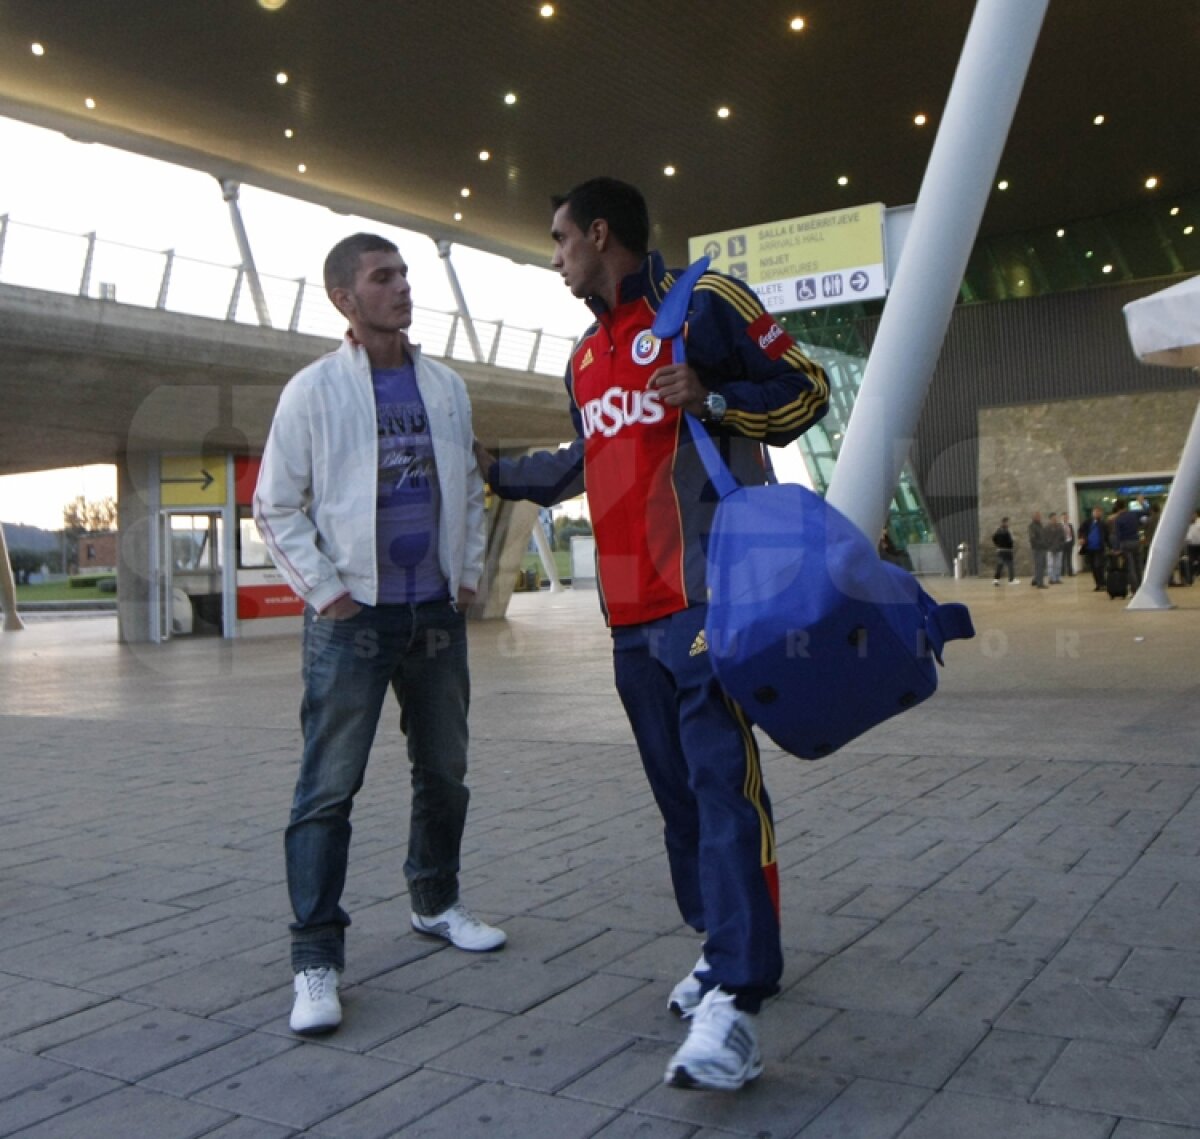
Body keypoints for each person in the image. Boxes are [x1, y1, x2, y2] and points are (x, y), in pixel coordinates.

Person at [477, 177, 829, 1092]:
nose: (555, 260)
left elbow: (808, 391)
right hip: (628, 622)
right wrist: (494, 472)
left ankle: (738, 1004)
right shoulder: (583, 360)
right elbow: (582, 462)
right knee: (680, 800)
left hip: (710, 601)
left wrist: (711, 397)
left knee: (721, 785)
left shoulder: (705, 304)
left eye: (560, 241)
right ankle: (722, 945)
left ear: (601, 234)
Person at [254, 233, 505, 1038]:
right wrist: (327, 593)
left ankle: (436, 900)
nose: (402, 287)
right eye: (382, 277)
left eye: (404, 274)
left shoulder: (445, 386)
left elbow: (466, 487)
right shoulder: (313, 390)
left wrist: (466, 574)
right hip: (354, 618)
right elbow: (274, 503)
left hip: (434, 613)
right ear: (344, 297)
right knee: (327, 788)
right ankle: (315, 958)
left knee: (445, 771)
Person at [1110, 497, 1144, 590]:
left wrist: (1116, 549)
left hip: (1126, 543)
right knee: (1138, 566)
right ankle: (1141, 586)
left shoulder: (1118, 519)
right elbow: (1143, 517)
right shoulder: (1133, 515)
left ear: (1117, 508)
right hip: (1136, 541)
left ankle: (1135, 589)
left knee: (1130, 567)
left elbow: (1118, 535)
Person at [1078, 505, 1110, 591]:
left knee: (1099, 566)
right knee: (1093, 567)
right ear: (1092, 513)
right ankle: (1098, 584)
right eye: (1095, 512)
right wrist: (1081, 538)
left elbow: (1107, 536)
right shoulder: (1087, 522)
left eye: (1099, 512)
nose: (1097, 513)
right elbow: (1081, 531)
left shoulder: (1103, 524)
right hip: (1089, 548)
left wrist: (1110, 546)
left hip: (1099, 548)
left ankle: (1102, 583)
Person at [991, 517, 1018, 585]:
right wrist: (1012, 541)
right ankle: (1011, 580)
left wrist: (998, 545)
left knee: (1000, 565)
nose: (1008, 523)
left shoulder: (998, 530)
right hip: (1007, 550)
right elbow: (1010, 540)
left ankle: (996, 580)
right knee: (1010, 565)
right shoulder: (1007, 530)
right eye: (1007, 522)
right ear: (1005, 522)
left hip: (1000, 550)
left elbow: (994, 538)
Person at [1028, 511, 1049, 588]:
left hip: (1043, 548)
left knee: (1042, 565)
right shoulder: (1032, 526)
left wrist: (1046, 543)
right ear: (1033, 517)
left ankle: (1035, 580)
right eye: (1037, 516)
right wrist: (1042, 543)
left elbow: (1043, 536)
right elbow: (1033, 538)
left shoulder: (1040, 525)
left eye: (1039, 516)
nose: (1039, 517)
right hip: (1037, 549)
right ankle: (1040, 583)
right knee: (1039, 566)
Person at [1045, 512, 1065, 583]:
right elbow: (1045, 538)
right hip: (1050, 548)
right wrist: (1048, 545)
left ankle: (1057, 578)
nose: (1055, 519)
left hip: (1059, 548)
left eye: (1055, 518)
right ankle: (1051, 578)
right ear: (1050, 519)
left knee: (1058, 564)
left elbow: (1063, 537)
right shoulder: (1047, 528)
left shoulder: (1060, 527)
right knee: (1051, 564)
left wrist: (1061, 544)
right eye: (1053, 518)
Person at [1060, 511, 1076, 577]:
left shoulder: (1070, 525)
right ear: (1061, 518)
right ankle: (1062, 572)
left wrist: (1073, 542)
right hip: (1062, 544)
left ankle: (1070, 572)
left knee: (1069, 558)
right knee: (1062, 558)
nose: (1065, 518)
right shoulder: (1060, 526)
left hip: (1069, 543)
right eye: (1064, 517)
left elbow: (1072, 534)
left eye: (1066, 517)